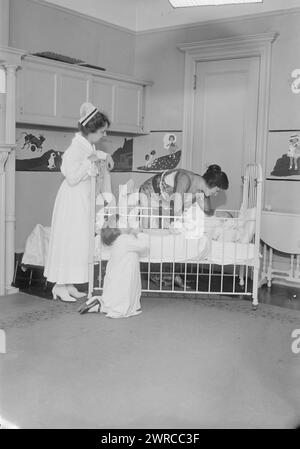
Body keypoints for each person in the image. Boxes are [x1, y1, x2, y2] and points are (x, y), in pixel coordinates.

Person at [44, 102, 114, 302]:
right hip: (72, 200)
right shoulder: (75, 149)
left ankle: (69, 283)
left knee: (79, 242)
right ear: (90, 130)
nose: (104, 135)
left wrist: (101, 156)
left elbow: (93, 164)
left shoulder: (87, 147)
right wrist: (91, 160)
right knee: (69, 240)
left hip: (82, 199)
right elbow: (72, 177)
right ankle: (59, 285)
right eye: (102, 131)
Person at [78, 215, 149, 318]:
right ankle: (101, 305)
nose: (128, 223)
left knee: (117, 297)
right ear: (117, 230)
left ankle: (99, 305)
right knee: (123, 298)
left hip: (119, 274)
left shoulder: (122, 239)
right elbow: (144, 246)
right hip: (124, 276)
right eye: (124, 222)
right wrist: (140, 233)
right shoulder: (125, 239)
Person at [139, 165, 229, 227]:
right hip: (148, 193)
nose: (216, 194)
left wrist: (222, 216)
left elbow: (207, 211)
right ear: (212, 184)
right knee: (147, 227)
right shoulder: (185, 179)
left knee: (165, 233)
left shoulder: (203, 191)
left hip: (164, 203)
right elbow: (177, 207)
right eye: (217, 190)